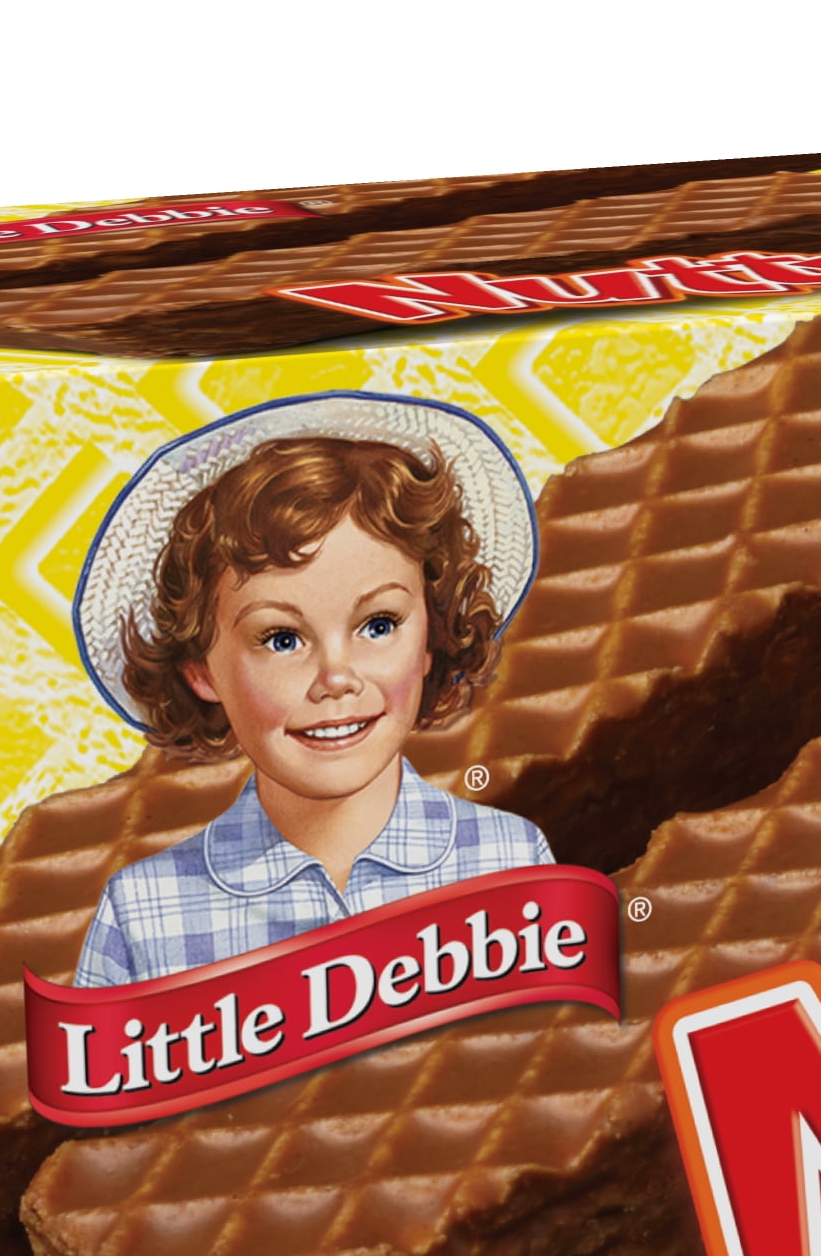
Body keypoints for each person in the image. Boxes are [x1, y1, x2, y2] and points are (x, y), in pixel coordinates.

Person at [70, 396, 548, 988]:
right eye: (281, 639)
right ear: (201, 670)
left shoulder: (510, 862)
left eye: (379, 625)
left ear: (433, 632)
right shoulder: (143, 913)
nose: (337, 677)